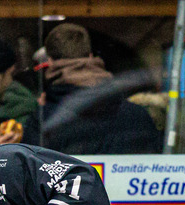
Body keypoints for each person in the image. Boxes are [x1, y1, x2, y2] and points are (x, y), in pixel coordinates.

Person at [24, 23, 159, 154]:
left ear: (50, 61)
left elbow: (33, 172)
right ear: (90, 56)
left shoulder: (43, 122)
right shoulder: (138, 117)